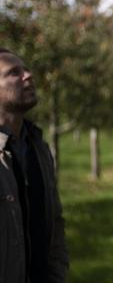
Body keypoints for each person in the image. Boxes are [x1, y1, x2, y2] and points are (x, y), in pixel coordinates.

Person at [0, 48, 69, 282]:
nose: (28, 76)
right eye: (13, 73)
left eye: (27, 70)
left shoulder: (38, 147)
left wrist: (57, 274)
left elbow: (55, 220)